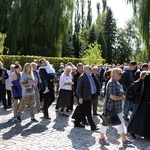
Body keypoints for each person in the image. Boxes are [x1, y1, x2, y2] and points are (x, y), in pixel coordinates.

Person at [99, 68, 133, 146]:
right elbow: (112, 96)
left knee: (120, 123)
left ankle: (124, 139)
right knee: (106, 123)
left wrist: (122, 96)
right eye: (120, 74)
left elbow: (119, 93)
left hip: (117, 107)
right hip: (110, 107)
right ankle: (102, 138)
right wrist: (121, 98)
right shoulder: (111, 83)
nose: (121, 75)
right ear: (115, 74)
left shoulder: (116, 82)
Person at [74, 65, 99, 131]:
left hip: (90, 96)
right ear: (85, 69)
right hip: (85, 97)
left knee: (82, 110)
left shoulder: (90, 76)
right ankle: (92, 126)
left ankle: (76, 122)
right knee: (88, 112)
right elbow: (78, 89)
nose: (91, 69)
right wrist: (80, 97)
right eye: (89, 68)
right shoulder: (81, 77)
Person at [128, 72, 150, 139]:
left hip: (145, 101)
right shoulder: (148, 78)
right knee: (141, 117)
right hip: (145, 102)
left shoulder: (147, 78)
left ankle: (147, 134)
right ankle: (133, 130)